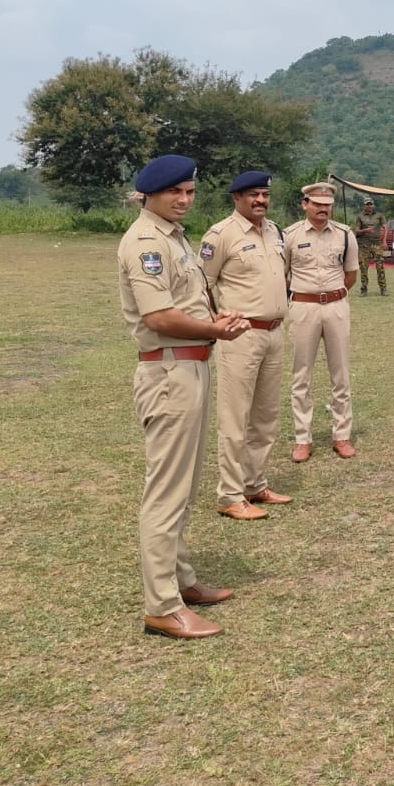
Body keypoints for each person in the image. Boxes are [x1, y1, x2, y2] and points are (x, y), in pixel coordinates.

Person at [117, 155, 248, 639]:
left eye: (191, 192)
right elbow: (160, 319)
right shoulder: (146, 243)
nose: (185, 200)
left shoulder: (174, 238)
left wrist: (214, 324)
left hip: (190, 364)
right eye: (176, 192)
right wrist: (214, 327)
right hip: (169, 369)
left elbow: (185, 304)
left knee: (186, 485)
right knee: (166, 492)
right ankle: (162, 606)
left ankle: (181, 580)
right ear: (148, 193)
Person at [202, 172, 293, 521]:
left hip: (273, 332)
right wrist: (215, 322)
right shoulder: (221, 234)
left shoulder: (275, 231)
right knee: (235, 417)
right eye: (253, 194)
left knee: (266, 416)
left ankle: (255, 483)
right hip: (240, 334)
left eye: (265, 194)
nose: (260, 200)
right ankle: (229, 494)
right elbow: (202, 283)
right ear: (236, 198)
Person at [284, 183, 360, 462]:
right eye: (316, 204)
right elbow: (283, 275)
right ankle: (303, 438)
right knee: (301, 374)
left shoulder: (345, 235)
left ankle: (342, 435)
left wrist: (332, 295)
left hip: (337, 305)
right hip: (303, 307)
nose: (322, 209)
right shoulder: (290, 235)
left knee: (340, 373)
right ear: (305, 204)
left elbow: (350, 274)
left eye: (327, 204)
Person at [354, 198, 388, 297]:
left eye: (370, 204)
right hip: (364, 245)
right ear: (364, 205)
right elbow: (356, 231)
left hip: (376, 244)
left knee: (380, 266)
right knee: (363, 267)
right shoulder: (360, 216)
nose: (369, 206)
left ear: (373, 205)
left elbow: (385, 227)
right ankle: (364, 289)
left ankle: (383, 288)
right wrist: (365, 230)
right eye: (367, 204)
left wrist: (384, 241)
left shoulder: (379, 215)